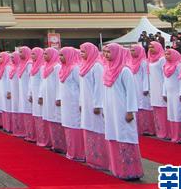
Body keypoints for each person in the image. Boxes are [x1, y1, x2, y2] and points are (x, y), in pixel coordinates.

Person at [101, 44, 143, 180]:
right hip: (110, 109)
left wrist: (130, 111)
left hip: (122, 109)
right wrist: (103, 107)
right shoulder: (106, 69)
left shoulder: (125, 70)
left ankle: (130, 171)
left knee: (125, 135)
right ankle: (117, 168)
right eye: (105, 52)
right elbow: (105, 91)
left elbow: (131, 92)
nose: (106, 54)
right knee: (113, 135)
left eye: (109, 52)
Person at [78, 42, 107, 171]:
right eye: (80, 51)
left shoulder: (97, 66)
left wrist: (97, 104)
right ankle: (91, 158)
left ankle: (101, 159)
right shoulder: (84, 66)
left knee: (97, 128)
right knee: (88, 127)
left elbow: (99, 87)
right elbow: (82, 88)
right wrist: (80, 102)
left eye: (83, 51)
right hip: (85, 102)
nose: (81, 53)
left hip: (94, 104)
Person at [57, 47, 83, 161]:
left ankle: (79, 153)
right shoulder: (63, 68)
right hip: (66, 102)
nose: (60, 58)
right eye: (60, 55)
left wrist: (81, 102)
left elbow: (81, 87)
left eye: (63, 55)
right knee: (67, 124)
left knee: (75, 124)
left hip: (74, 102)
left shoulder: (75, 68)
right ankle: (71, 151)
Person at [38, 47, 63, 152]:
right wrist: (41, 95)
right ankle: (52, 143)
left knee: (55, 118)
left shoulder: (57, 67)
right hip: (47, 97)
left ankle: (59, 145)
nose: (44, 56)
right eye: (43, 54)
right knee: (48, 118)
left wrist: (58, 97)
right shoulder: (44, 67)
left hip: (54, 97)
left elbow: (59, 84)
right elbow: (42, 83)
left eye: (46, 54)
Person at [127, 43, 155, 136]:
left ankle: (147, 129)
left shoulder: (143, 62)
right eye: (131, 50)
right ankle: (138, 128)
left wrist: (146, 88)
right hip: (133, 87)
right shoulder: (129, 61)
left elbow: (146, 75)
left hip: (141, 87)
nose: (131, 52)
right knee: (136, 106)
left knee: (143, 106)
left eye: (133, 50)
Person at [161, 48, 181, 144]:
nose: (166, 56)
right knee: (172, 114)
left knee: (178, 113)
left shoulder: (179, 65)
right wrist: (164, 93)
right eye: (165, 54)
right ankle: (174, 135)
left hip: (177, 93)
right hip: (169, 94)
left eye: (169, 54)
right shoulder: (165, 66)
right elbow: (164, 80)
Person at [147, 41, 168, 139]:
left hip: (160, 86)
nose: (150, 48)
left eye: (152, 47)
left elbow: (165, 75)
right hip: (153, 87)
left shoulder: (162, 59)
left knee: (163, 109)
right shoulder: (150, 59)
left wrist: (164, 90)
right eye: (149, 47)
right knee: (156, 109)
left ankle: (166, 132)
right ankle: (159, 131)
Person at [13, 46, 32, 139]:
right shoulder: (22, 64)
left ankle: (31, 134)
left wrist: (30, 93)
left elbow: (31, 80)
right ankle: (26, 132)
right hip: (22, 92)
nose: (19, 54)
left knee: (29, 111)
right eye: (19, 52)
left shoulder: (29, 64)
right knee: (24, 111)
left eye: (21, 52)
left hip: (28, 92)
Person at [26, 47, 44, 143]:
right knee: (36, 115)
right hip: (34, 94)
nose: (32, 56)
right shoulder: (33, 66)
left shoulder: (42, 66)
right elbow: (31, 82)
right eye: (31, 54)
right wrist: (30, 94)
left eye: (34, 54)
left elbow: (42, 82)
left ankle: (44, 140)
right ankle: (39, 138)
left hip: (40, 96)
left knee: (41, 115)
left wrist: (40, 96)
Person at [2, 52, 18, 134]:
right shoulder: (4, 67)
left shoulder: (8, 67)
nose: (12, 59)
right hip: (5, 89)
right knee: (5, 107)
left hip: (12, 90)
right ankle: (7, 126)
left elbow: (8, 80)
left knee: (10, 107)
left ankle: (11, 127)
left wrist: (9, 91)